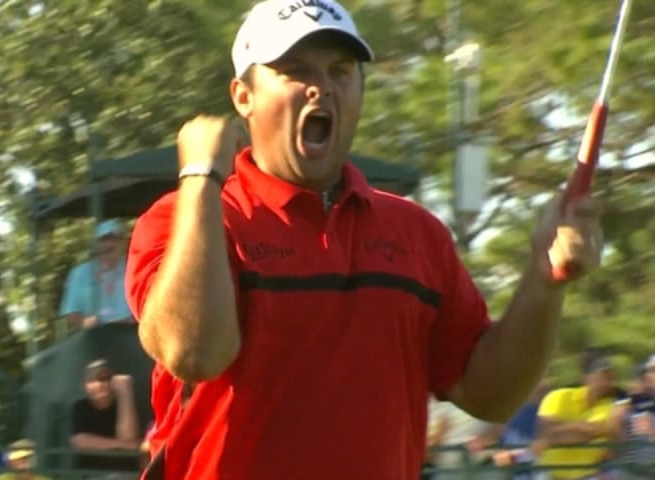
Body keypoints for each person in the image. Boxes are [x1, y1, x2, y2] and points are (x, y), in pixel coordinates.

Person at [123, 0, 604, 477]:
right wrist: (200, 177)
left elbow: (489, 395)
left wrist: (543, 285)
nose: (322, 88)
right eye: (295, 70)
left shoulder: (418, 235)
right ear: (242, 96)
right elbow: (194, 353)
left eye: (341, 71)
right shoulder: (185, 219)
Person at [535, 355, 620, 479]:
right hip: (550, 475)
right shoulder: (558, 397)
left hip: (586, 475)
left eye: (609, 377)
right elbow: (545, 433)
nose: (605, 382)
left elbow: (608, 440)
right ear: (586, 377)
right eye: (600, 376)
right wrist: (582, 428)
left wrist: (562, 429)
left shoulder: (610, 405)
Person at [69, 360, 140, 478]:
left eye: (105, 378)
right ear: (85, 386)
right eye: (94, 380)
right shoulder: (81, 407)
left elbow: (129, 437)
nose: (101, 384)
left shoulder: (123, 405)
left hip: (124, 474)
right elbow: (80, 441)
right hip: (92, 474)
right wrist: (122, 445)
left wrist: (126, 394)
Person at [59, 220, 134, 331]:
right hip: (93, 338)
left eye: (116, 238)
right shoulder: (80, 274)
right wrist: (86, 323)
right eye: (104, 239)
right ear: (96, 245)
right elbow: (71, 311)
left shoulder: (134, 270)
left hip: (130, 335)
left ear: (123, 243)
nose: (110, 244)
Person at [610, 356, 655, 480]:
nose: (650, 376)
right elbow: (617, 441)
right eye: (649, 371)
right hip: (626, 472)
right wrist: (616, 422)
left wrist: (652, 433)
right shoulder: (627, 402)